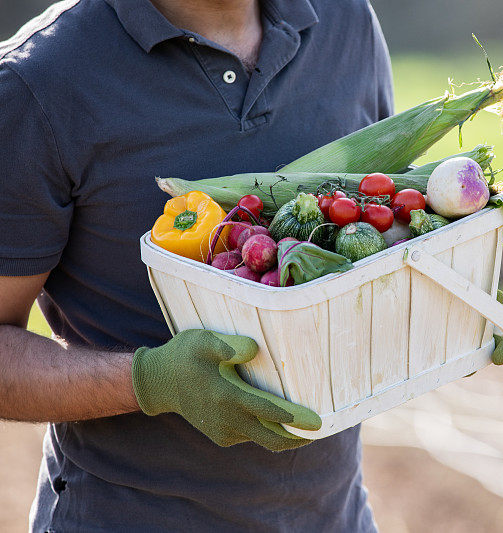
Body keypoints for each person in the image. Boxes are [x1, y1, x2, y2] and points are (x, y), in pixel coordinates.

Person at [0, 0, 393, 530]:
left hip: (337, 516)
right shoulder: (40, 80)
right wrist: (149, 381)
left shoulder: (347, 22)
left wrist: (453, 297)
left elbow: (382, 223)